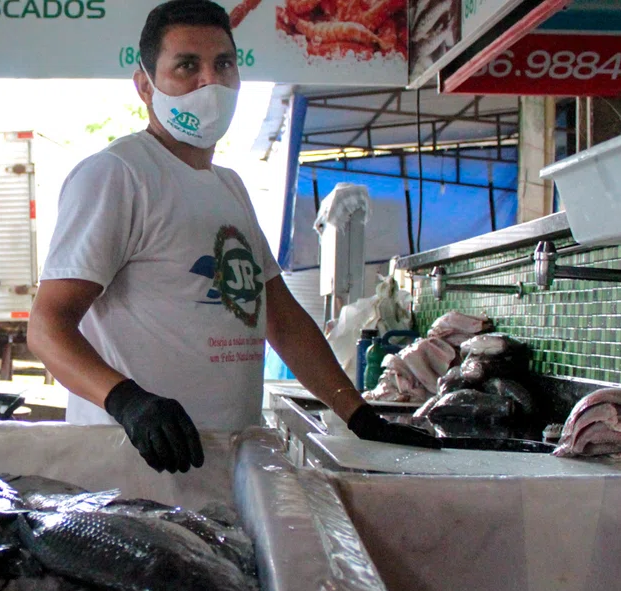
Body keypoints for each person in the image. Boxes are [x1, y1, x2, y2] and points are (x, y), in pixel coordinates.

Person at [28, 0, 438, 475]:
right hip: (133, 469)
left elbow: (282, 320)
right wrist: (126, 400)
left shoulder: (229, 187)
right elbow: (47, 326)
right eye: (187, 66)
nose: (211, 82)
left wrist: (357, 412)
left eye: (224, 64)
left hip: (227, 465)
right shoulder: (117, 175)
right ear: (145, 85)